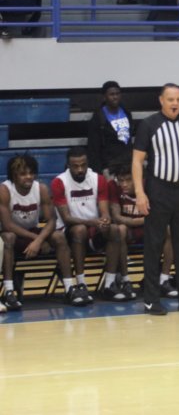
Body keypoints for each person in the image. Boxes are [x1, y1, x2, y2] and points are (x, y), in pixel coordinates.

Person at [132, 83, 179, 316]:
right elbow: (137, 161)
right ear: (161, 100)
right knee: (154, 246)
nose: (175, 103)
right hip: (158, 189)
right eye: (171, 99)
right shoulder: (149, 124)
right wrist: (140, 193)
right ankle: (151, 300)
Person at [0, 154, 84, 309]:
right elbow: (7, 225)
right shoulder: (5, 190)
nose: (29, 177)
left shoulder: (41, 188)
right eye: (23, 174)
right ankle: (9, 291)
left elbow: (51, 220)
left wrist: (39, 240)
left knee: (59, 237)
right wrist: (36, 239)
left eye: (31, 173)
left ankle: (69, 288)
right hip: (14, 233)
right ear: (14, 175)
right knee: (8, 237)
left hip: (32, 231)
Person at [51, 147, 123, 302]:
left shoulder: (98, 179)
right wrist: (92, 222)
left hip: (93, 227)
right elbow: (67, 218)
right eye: (75, 166)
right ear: (68, 166)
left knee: (114, 229)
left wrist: (105, 220)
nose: (80, 169)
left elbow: (104, 210)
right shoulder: (59, 182)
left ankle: (109, 284)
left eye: (83, 165)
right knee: (80, 230)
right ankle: (81, 283)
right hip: (68, 231)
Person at [108, 159, 178, 301]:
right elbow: (116, 216)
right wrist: (136, 221)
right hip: (128, 229)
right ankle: (126, 280)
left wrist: (140, 221)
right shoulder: (113, 186)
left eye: (128, 180)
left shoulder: (150, 185)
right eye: (121, 180)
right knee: (120, 229)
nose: (124, 184)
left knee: (168, 229)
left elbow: (158, 214)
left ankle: (163, 279)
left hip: (148, 228)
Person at [87, 81, 134, 176]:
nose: (115, 97)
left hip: (127, 164)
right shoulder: (98, 117)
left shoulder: (126, 112)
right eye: (111, 94)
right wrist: (99, 170)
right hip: (109, 166)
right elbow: (93, 148)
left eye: (117, 94)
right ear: (104, 97)